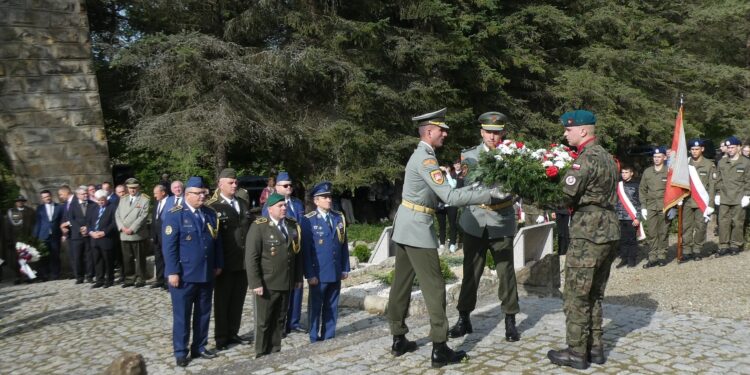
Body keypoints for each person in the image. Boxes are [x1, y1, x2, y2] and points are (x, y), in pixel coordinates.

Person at [387, 108, 507, 368]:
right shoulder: (427, 160)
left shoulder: (422, 156)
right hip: (418, 228)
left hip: (406, 225)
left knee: (401, 284)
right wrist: (488, 195)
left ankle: (398, 338)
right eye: (441, 129)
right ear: (428, 131)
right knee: (434, 287)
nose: (446, 133)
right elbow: (450, 198)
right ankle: (440, 348)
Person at [546, 110, 620, 370]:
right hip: (609, 230)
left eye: (569, 129)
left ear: (583, 131)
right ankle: (595, 348)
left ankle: (576, 352)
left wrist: (537, 192)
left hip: (588, 233)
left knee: (576, 295)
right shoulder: (608, 157)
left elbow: (565, 197)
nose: (565, 133)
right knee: (595, 294)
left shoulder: (585, 160)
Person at [448, 111, 521, 343]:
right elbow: (469, 187)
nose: (493, 137)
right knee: (471, 272)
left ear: (503, 133)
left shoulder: (513, 155)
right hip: (475, 220)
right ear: (481, 132)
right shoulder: (469, 155)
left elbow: (519, 185)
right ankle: (463, 317)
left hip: (501, 220)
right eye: (489, 132)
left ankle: (510, 319)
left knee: (506, 272)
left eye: (497, 133)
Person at [163, 176, 223, 367]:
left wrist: (218, 263)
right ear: (188, 194)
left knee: (204, 313)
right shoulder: (175, 215)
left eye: (204, 193)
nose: (203, 197)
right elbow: (169, 247)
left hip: (206, 272)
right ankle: (181, 351)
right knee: (182, 315)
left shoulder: (209, 214)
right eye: (198, 194)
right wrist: (172, 271)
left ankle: (200, 346)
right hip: (184, 275)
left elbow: (216, 241)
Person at [246, 192, 303, 358]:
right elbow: (252, 257)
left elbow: (296, 254)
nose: (284, 208)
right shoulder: (259, 226)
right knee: (264, 321)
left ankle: (275, 350)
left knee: (280, 318)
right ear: (270, 209)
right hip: (267, 282)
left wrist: (298, 278)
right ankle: (261, 351)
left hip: (286, 280)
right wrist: (255, 283)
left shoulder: (291, 226)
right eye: (280, 206)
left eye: (285, 205)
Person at [207, 168, 252, 350]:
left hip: (242, 261)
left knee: (237, 300)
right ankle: (221, 337)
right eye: (230, 183)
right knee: (222, 301)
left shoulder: (242, 203)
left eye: (235, 182)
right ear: (220, 184)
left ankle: (233, 332)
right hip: (224, 262)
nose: (234, 185)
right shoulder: (213, 207)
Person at [301, 181, 350, 343]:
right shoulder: (308, 220)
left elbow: (343, 245)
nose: (328, 200)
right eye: (324, 197)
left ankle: (329, 335)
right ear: (316, 201)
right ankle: (314, 336)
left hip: (335, 270)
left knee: (332, 306)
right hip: (319, 272)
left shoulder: (338, 217)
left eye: (329, 197)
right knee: (316, 307)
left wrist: (345, 268)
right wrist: (309, 274)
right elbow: (306, 251)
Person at [262, 171, 306, 335]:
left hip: (297, 249)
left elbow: (301, 227)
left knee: (297, 286)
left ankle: (293, 322)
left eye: (290, 185)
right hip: (279, 251)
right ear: (277, 187)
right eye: (285, 185)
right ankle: (279, 324)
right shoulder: (271, 204)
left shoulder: (297, 203)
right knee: (281, 289)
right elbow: (268, 229)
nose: (289, 188)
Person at [714, 136, 750, 256]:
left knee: (738, 222)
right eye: (728, 147)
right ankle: (723, 245)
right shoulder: (722, 162)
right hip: (724, 197)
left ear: (739, 147)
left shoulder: (746, 162)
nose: (730, 150)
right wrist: (717, 193)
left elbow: (748, 180)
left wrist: (747, 195)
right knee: (723, 222)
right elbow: (718, 180)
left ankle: (735, 245)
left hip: (739, 197)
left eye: (732, 147)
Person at [681, 139, 716, 262]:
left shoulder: (709, 164)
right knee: (686, 227)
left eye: (697, 149)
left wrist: (711, 204)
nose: (694, 152)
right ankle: (686, 250)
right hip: (687, 201)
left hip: (702, 201)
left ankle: (697, 250)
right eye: (692, 149)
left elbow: (712, 186)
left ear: (702, 149)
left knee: (701, 226)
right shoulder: (684, 164)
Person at [639, 146, 672, 268]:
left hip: (665, 206)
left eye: (659, 157)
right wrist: (643, 206)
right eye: (654, 157)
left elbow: (673, 190)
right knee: (652, 233)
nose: (656, 159)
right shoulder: (647, 172)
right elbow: (642, 189)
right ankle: (652, 257)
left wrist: (673, 207)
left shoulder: (669, 171)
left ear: (664, 157)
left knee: (663, 232)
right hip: (651, 206)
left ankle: (662, 255)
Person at [115, 178, 151, 287]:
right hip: (124, 234)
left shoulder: (144, 199)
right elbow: (117, 214)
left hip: (137, 234)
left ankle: (140, 279)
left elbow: (143, 216)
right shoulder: (123, 199)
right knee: (127, 258)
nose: (132, 190)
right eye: (130, 188)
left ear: (138, 187)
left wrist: (132, 228)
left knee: (140, 258)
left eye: (134, 188)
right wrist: (122, 227)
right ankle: (129, 279)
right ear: (127, 188)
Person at [86, 189, 118, 288]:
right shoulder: (94, 208)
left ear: (106, 199)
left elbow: (114, 223)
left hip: (106, 238)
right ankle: (99, 279)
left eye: (102, 200)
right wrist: (91, 232)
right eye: (98, 200)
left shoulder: (112, 207)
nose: (100, 202)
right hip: (94, 238)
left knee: (108, 260)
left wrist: (104, 232)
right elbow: (89, 222)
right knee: (97, 260)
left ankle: (109, 280)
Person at [32, 190, 63, 280]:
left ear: (51, 196)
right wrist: (35, 236)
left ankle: (55, 274)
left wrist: (63, 233)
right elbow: (38, 223)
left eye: (48, 196)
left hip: (55, 235)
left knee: (55, 255)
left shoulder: (59, 207)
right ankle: (44, 274)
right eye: (45, 197)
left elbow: (62, 221)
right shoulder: (40, 208)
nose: (47, 198)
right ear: (42, 199)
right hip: (43, 235)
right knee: (43, 256)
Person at [614, 166, 642, 268]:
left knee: (631, 240)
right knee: (622, 239)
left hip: (631, 217)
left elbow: (640, 202)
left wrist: (638, 217)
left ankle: (632, 260)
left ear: (631, 173)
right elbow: (615, 201)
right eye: (622, 172)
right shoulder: (619, 185)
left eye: (626, 172)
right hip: (620, 216)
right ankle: (624, 259)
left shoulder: (636, 185)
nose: (624, 174)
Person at [5, 195, 36, 283]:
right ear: (15, 202)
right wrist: (9, 239)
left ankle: (29, 276)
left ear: (24, 201)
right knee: (16, 260)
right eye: (18, 201)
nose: (20, 202)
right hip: (15, 239)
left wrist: (33, 237)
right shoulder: (11, 212)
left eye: (21, 200)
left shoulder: (30, 211)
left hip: (27, 238)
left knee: (27, 258)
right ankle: (18, 277)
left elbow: (34, 224)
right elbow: (7, 227)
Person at [67, 186, 94, 283]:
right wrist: (79, 229)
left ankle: (90, 276)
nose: (86, 195)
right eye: (83, 194)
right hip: (77, 235)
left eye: (86, 193)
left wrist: (87, 228)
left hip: (89, 234)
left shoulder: (92, 204)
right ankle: (79, 277)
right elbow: (71, 218)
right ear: (78, 195)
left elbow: (94, 218)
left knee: (89, 256)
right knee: (77, 256)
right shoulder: (73, 205)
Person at [435, 164, 459, 253]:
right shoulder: (438, 180)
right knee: (442, 226)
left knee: (452, 224)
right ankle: (441, 244)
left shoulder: (452, 178)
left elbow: (452, 186)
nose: (443, 172)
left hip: (451, 205)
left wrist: (447, 173)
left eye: (446, 169)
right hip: (440, 205)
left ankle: (452, 243)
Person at [151, 184, 168, 289]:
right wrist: (153, 235)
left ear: (163, 192)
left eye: (156, 193)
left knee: (166, 258)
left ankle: (167, 281)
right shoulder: (157, 202)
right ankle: (160, 279)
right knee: (158, 258)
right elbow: (154, 219)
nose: (154, 196)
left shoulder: (170, 202)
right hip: (156, 236)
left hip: (165, 235)